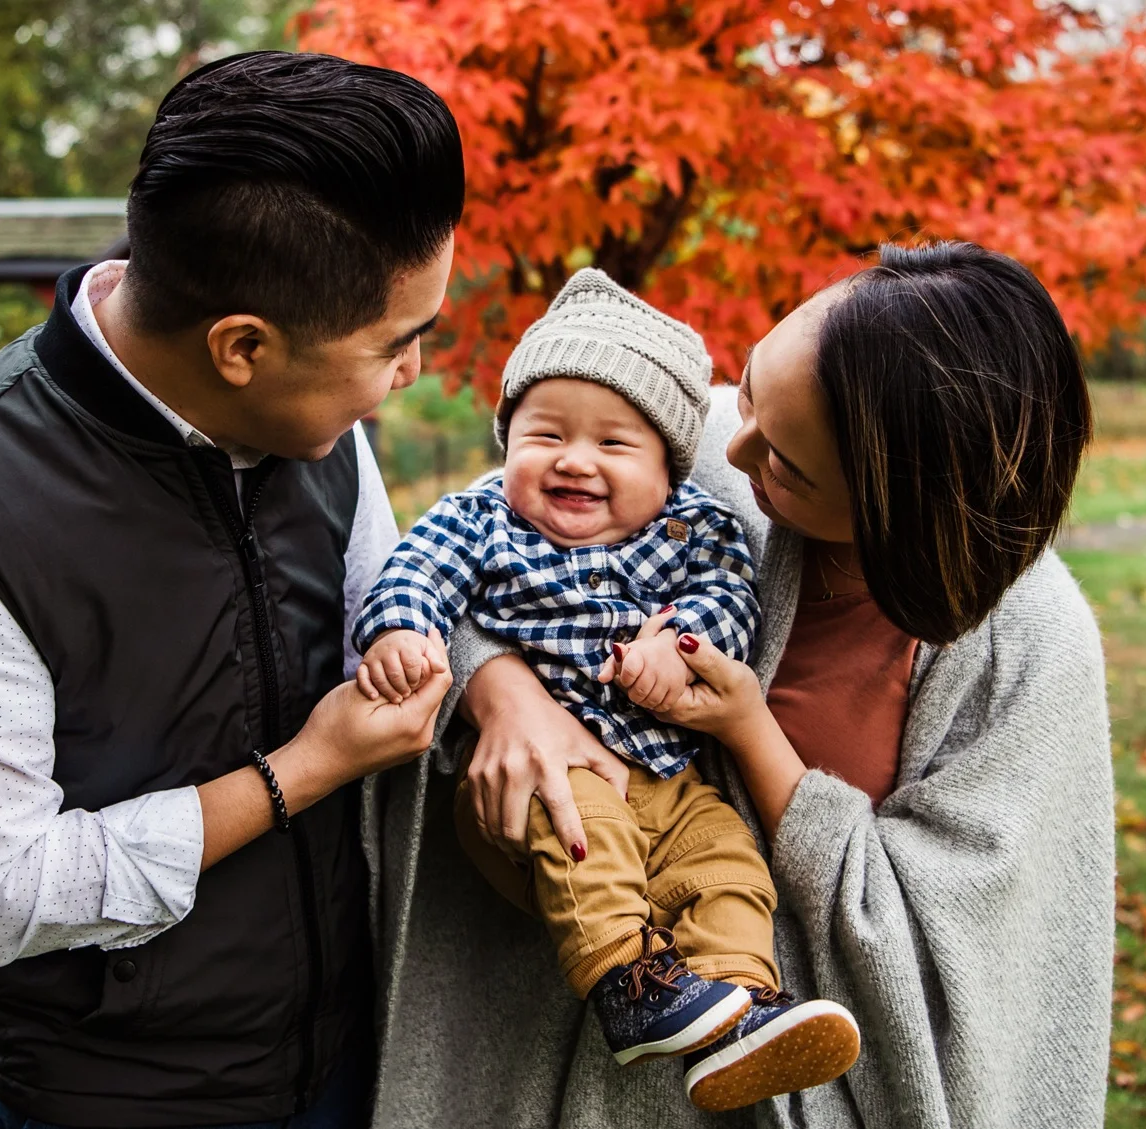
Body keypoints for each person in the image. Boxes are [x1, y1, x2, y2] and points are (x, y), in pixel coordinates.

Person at [0, 51, 463, 1129]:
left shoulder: (314, 424)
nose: (410, 371)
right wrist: (300, 773)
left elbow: (391, 612)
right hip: (118, 1096)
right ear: (242, 348)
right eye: (393, 345)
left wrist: (492, 689)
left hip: (346, 1055)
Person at [368, 242, 1113, 1128]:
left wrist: (752, 736)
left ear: (897, 507)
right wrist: (500, 689)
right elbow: (471, 554)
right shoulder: (681, 446)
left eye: (787, 468)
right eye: (752, 387)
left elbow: (959, 947)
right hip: (548, 1059)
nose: (734, 444)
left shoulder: (1024, 646)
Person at [349, 270, 860, 1113]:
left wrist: (680, 646)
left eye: (613, 445)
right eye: (542, 434)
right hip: (543, 774)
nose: (573, 460)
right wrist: (405, 629)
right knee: (584, 830)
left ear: (668, 469)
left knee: (725, 861)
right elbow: (415, 570)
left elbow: (730, 601)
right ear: (505, 440)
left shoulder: (701, 528)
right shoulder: (480, 518)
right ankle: (629, 981)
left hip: (669, 781)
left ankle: (737, 1005)